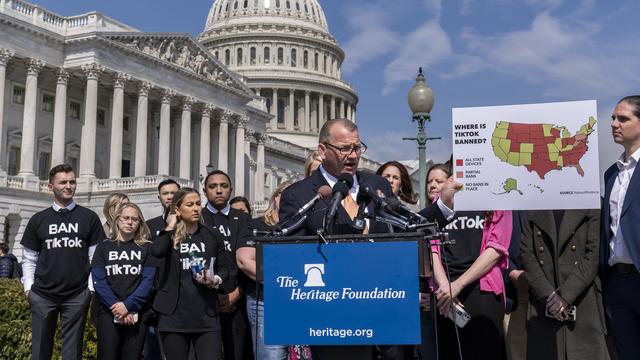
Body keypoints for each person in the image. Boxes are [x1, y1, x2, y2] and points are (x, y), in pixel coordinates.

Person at [278, 119, 458, 360]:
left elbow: (407, 227)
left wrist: (443, 205)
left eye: (357, 148)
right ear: (322, 151)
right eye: (344, 148)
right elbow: (292, 259)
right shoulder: (299, 195)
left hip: (385, 317)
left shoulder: (376, 185)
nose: (353, 155)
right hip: (334, 321)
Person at [425, 163, 511, 360]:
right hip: (444, 293)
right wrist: (445, 285)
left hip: (481, 290)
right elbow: (432, 245)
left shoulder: (499, 197)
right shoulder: (442, 199)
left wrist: (458, 284)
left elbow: (497, 247)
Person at [20, 164, 106, 360]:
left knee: (72, 353)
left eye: (72, 182)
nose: (69, 186)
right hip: (42, 295)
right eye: (63, 182)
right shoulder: (38, 220)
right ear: (51, 186)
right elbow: (29, 258)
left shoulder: (89, 218)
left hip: (76, 295)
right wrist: (28, 289)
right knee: (40, 351)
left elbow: (96, 258)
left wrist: (90, 290)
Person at [151, 187, 231, 360]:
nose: (196, 208)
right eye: (189, 205)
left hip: (206, 316)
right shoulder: (168, 236)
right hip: (173, 317)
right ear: (178, 209)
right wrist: (171, 225)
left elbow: (225, 268)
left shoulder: (211, 235)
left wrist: (215, 279)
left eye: (198, 204)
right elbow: (156, 251)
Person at [520, 209, 608, 360]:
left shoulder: (587, 198)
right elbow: (527, 254)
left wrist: (565, 295)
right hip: (544, 302)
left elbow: (593, 254)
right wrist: (549, 295)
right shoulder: (534, 202)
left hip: (582, 301)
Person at [600, 95, 640, 359]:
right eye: (613, 118)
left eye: (623, 118)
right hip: (616, 282)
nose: (614, 123)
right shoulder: (611, 174)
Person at [91, 203, 157, 360]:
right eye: (126, 218)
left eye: (135, 219)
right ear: (117, 220)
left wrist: (128, 306)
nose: (130, 222)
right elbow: (98, 280)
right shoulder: (103, 247)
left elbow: (148, 281)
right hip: (108, 311)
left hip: (137, 312)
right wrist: (117, 306)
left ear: (140, 223)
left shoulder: (147, 248)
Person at [237, 180, 293, 360]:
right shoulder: (256, 225)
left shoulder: (303, 227)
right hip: (265, 300)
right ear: (275, 197)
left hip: (299, 300)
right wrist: (281, 282)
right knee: (272, 356)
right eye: (286, 195)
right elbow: (245, 260)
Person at [201, 170, 254, 360]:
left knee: (237, 354)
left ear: (230, 190)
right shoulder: (197, 217)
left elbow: (247, 260)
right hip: (203, 301)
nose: (218, 190)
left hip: (236, 297)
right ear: (205, 190)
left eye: (223, 186)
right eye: (212, 186)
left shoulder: (243, 218)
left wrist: (236, 293)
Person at [144, 180, 179, 360]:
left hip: (181, 293)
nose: (170, 196)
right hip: (156, 292)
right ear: (159, 197)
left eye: (174, 193)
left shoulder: (189, 223)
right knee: (153, 350)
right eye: (166, 193)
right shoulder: (150, 225)